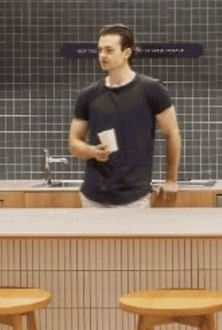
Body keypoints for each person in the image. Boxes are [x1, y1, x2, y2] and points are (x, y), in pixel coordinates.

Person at [69, 24, 181, 208]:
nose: (102, 55)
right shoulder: (88, 95)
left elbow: (173, 134)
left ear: (126, 53)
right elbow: (74, 143)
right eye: (100, 50)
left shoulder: (152, 90)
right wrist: (93, 152)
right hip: (92, 196)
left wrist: (171, 180)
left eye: (109, 50)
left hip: (134, 197)